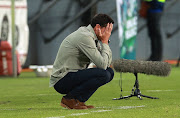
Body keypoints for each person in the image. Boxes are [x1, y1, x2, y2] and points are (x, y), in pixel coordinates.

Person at [50, 14, 114, 109]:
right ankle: (70, 99)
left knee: (109, 72)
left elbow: (107, 63)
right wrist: (105, 42)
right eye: (107, 30)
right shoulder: (85, 37)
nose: (108, 33)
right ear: (98, 27)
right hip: (61, 80)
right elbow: (102, 65)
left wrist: (106, 42)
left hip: (72, 75)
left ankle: (78, 100)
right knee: (104, 74)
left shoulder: (91, 36)